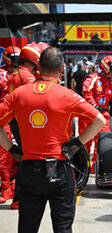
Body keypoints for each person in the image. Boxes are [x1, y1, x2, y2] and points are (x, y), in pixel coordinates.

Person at [0, 46, 106, 233]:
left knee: (27, 227)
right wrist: (75, 145)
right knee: (63, 228)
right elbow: (99, 120)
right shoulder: (67, 95)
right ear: (62, 68)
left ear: (38, 66)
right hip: (59, 168)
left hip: (29, 169)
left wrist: (12, 150)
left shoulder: (18, 94)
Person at [7, 42, 44, 209]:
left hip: (15, 120)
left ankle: (19, 198)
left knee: (24, 159)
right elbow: (34, 98)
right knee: (27, 160)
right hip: (24, 123)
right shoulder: (27, 77)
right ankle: (19, 199)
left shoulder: (13, 75)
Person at [0, 45, 20, 203]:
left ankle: (10, 187)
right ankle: (6, 187)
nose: (17, 62)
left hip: (19, 119)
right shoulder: (2, 74)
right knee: (4, 155)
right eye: (14, 59)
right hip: (5, 118)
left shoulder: (21, 74)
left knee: (14, 155)